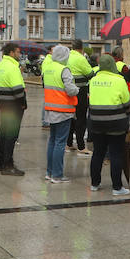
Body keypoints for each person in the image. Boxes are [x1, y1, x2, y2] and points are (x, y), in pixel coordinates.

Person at [87, 54, 130, 195]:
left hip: (96, 122)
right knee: (116, 153)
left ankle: (95, 183)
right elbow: (126, 103)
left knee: (98, 152)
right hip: (116, 123)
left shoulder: (93, 80)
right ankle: (117, 187)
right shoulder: (119, 80)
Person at [42, 44, 79, 182]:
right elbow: (70, 90)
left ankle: (49, 172)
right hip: (63, 110)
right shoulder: (64, 69)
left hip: (50, 109)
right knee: (60, 143)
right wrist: (77, 89)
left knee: (52, 141)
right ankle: (57, 175)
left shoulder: (48, 69)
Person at [0, 41, 27, 175]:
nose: (20, 54)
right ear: (12, 53)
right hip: (14, 104)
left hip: (3, 103)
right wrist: (23, 103)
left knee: (3, 133)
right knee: (11, 135)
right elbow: (18, 90)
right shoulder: (13, 67)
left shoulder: (1, 65)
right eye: (18, 52)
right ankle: (8, 164)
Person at [66, 40, 94, 153]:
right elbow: (90, 73)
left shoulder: (67, 57)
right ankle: (81, 146)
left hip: (68, 91)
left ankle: (68, 143)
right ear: (81, 48)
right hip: (80, 91)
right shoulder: (81, 58)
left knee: (71, 118)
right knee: (81, 119)